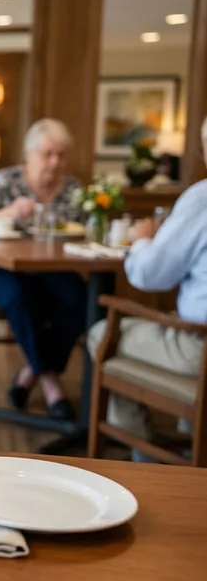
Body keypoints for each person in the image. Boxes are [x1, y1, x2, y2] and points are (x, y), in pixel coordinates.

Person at [87, 117, 207, 460]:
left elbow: (150, 275)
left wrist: (143, 241)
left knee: (101, 334)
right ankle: (190, 435)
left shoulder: (201, 199)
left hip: (198, 348)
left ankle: (147, 461)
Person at [0, 118, 87, 420]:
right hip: (0, 268)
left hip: (53, 268)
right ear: (29, 155)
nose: (55, 162)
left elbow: (88, 229)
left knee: (80, 298)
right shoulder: (7, 181)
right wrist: (9, 211)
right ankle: (50, 383)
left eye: (61, 155)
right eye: (47, 154)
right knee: (20, 297)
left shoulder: (73, 189)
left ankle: (30, 372)